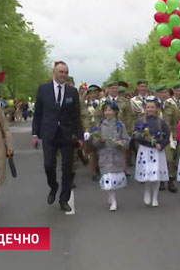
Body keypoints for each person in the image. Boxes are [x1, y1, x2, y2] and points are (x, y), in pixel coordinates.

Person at [31, 61, 83, 212]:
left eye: (66, 72)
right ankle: (53, 186)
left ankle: (63, 199)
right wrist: (35, 133)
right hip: (49, 133)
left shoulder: (72, 92)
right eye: (61, 72)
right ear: (54, 72)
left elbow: (76, 116)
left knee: (67, 168)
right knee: (48, 165)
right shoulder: (43, 89)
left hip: (67, 134)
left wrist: (80, 137)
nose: (64, 75)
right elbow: (38, 113)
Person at [90, 101, 129, 211]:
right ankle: (113, 200)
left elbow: (126, 139)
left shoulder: (120, 125)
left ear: (115, 112)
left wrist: (122, 143)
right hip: (104, 155)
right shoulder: (100, 125)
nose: (107, 113)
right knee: (108, 178)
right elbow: (94, 141)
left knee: (114, 180)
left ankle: (111, 196)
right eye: (105, 110)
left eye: (110, 110)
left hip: (117, 155)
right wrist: (99, 141)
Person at [132, 98, 170, 207]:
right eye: (148, 107)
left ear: (156, 108)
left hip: (157, 151)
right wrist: (145, 139)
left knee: (156, 173)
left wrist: (161, 145)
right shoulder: (140, 121)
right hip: (145, 150)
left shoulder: (161, 122)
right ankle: (147, 192)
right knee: (147, 173)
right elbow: (135, 135)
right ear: (145, 108)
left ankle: (155, 197)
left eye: (152, 107)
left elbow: (167, 136)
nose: (150, 109)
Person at [161, 85, 180, 193]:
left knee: (170, 159)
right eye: (161, 92)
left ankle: (170, 179)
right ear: (156, 94)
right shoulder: (152, 106)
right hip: (156, 137)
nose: (163, 95)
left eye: (165, 92)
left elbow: (176, 122)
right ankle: (160, 180)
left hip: (169, 137)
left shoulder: (171, 107)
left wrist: (175, 136)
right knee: (158, 159)